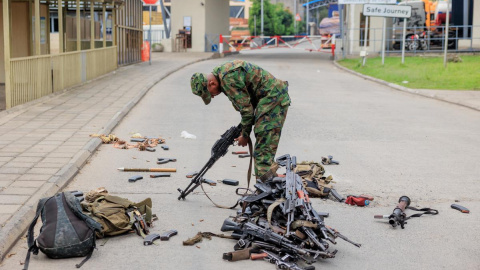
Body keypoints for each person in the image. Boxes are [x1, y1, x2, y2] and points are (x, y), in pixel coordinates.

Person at [190, 60, 291, 181]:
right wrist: (242, 129)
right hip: (268, 99)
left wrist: (245, 134)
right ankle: (267, 185)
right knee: (262, 149)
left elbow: (247, 111)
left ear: (211, 83)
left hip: (272, 99)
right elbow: (247, 104)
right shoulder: (222, 74)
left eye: (208, 94)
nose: (211, 96)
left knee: (263, 151)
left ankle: (266, 190)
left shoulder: (228, 79)